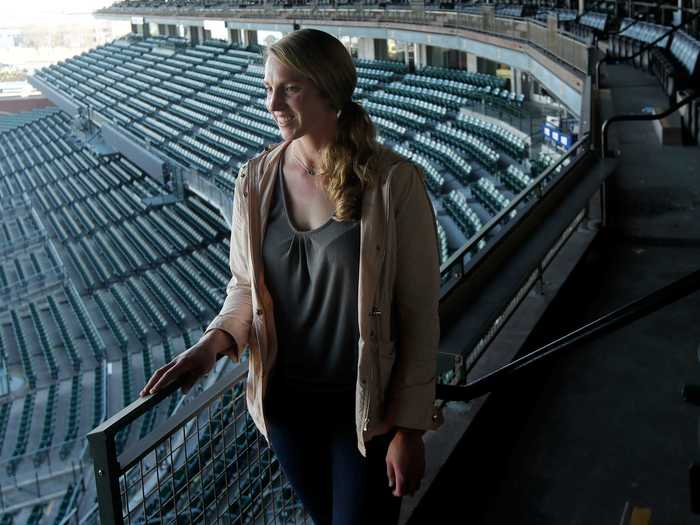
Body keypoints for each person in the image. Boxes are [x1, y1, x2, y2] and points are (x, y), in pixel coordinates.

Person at [140, 28, 441, 525]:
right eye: (267, 89)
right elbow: (243, 287)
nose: (272, 103)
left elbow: (418, 311)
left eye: (290, 88)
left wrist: (411, 429)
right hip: (287, 411)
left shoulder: (393, 183)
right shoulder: (254, 180)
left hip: (364, 414)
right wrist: (212, 344)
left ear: (328, 89)